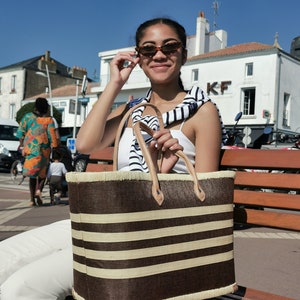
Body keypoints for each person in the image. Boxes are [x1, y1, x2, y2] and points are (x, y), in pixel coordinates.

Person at [0, 17, 226, 299]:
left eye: (170, 47)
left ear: (184, 53)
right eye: (148, 50)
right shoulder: (132, 110)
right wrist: (115, 83)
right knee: (3, 259)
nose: (159, 54)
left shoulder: (202, 112)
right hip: (107, 220)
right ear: (139, 59)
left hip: (151, 234)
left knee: (22, 287)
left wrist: (166, 177)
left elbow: (208, 201)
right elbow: (85, 143)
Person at [16, 97, 59, 206]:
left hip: (31, 150)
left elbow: (20, 133)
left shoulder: (27, 117)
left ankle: (32, 199)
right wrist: (55, 146)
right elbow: (52, 136)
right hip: (44, 151)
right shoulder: (49, 120)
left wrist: (22, 145)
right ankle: (39, 190)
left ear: (35, 107)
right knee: (42, 174)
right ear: (46, 108)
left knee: (32, 174)